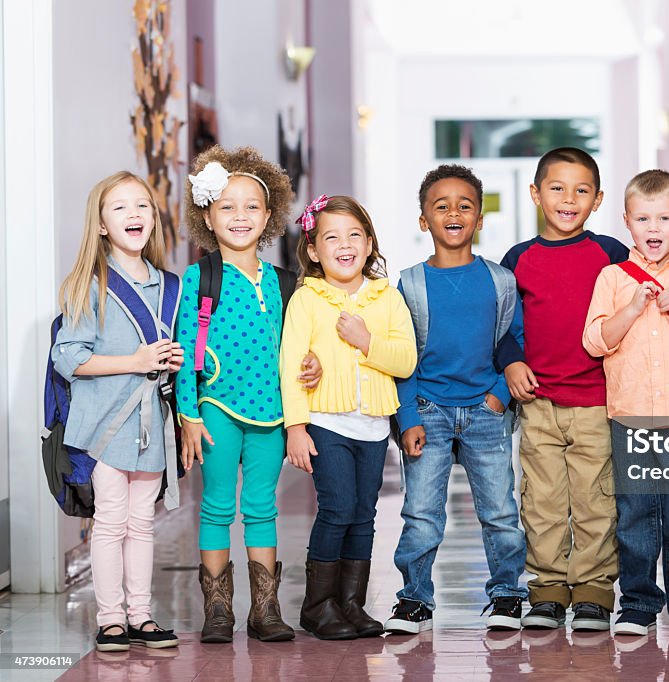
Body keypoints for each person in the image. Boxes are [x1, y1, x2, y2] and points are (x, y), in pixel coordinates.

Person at [499, 148, 669, 630]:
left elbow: (664, 268)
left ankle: (597, 591)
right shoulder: (519, 259)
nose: (568, 199)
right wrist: (510, 363)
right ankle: (549, 588)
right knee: (544, 500)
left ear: (597, 201)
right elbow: (503, 327)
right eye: (556, 188)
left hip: (602, 402)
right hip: (542, 402)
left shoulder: (614, 255)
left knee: (601, 501)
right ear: (536, 194)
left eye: (581, 190)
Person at [176, 145, 320, 643]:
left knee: (261, 507)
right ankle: (218, 610)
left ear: (271, 214)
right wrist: (188, 415)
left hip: (272, 414)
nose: (241, 216)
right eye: (227, 207)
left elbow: (299, 348)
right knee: (217, 505)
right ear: (208, 216)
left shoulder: (287, 283)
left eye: (252, 206)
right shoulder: (201, 278)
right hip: (216, 407)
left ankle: (265, 609)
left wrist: (312, 364)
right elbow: (185, 354)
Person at [386, 164, 528, 634]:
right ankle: (414, 599)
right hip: (428, 409)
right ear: (424, 219)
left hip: (485, 412)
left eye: (465, 205)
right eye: (441, 206)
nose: (454, 213)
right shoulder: (409, 284)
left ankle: (508, 593)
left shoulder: (500, 281)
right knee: (422, 514)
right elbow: (403, 357)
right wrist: (407, 416)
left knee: (501, 512)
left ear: (480, 218)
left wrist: (500, 396)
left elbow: (515, 340)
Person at [583, 169, 669, 636]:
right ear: (627, 221)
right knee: (636, 513)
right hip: (630, 416)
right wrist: (630, 308)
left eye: (664, 217)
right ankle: (639, 602)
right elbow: (594, 341)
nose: (654, 228)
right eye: (643, 218)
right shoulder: (612, 277)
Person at [53, 171, 183, 651]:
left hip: (152, 427)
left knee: (142, 523)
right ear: (102, 224)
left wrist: (175, 359)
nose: (134, 214)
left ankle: (142, 616)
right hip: (105, 424)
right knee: (110, 520)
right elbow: (68, 357)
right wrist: (134, 361)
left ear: (154, 217)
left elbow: (170, 356)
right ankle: (111, 619)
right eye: (121, 207)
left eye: (143, 205)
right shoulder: (90, 284)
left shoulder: (169, 286)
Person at [281, 195, 415, 640]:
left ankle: (351, 604)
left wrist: (364, 339)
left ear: (370, 243)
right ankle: (318, 606)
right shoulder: (307, 299)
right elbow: (292, 364)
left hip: (373, 425)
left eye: (355, 234)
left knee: (363, 514)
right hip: (326, 422)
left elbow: (405, 361)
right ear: (314, 249)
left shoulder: (386, 297)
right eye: (332, 236)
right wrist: (296, 428)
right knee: (337, 509)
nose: (345, 243)